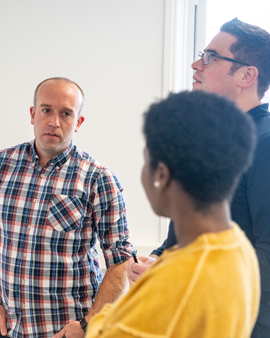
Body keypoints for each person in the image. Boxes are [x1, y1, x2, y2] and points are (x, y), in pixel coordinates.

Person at [127, 18, 270, 337]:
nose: (196, 64)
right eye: (202, 54)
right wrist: (157, 259)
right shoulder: (211, 140)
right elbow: (188, 235)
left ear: (246, 75)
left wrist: (176, 275)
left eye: (211, 57)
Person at [0, 77, 133, 338]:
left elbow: (120, 261)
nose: (54, 121)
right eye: (46, 110)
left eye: (66, 113)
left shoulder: (98, 179)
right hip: (6, 329)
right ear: (33, 114)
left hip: (67, 332)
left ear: (78, 122)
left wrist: (88, 324)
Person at [87, 90, 260, 337]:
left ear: (161, 175)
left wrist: (109, 313)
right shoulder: (239, 247)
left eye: (145, 160)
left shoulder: (176, 284)